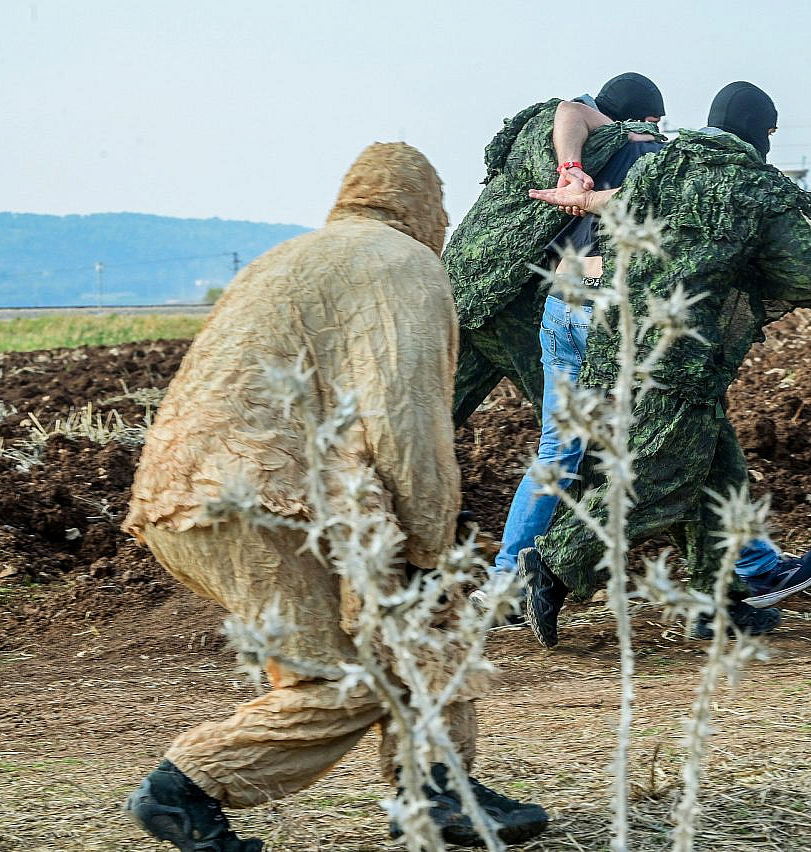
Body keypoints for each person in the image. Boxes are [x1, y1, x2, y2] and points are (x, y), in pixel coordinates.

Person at [119, 143, 547, 850]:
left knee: (404, 624)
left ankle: (438, 793)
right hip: (262, 497)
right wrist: (432, 538)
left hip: (191, 493)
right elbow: (404, 419)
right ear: (428, 207)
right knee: (354, 677)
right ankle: (183, 789)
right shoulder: (406, 265)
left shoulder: (290, 255)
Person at [518, 82, 811, 648]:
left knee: (719, 478)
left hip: (615, 342)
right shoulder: (757, 186)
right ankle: (556, 565)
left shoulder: (661, 163)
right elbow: (810, 281)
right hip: (682, 361)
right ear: (761, 132)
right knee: (661, 478)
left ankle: (720, 607)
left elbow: (613, 208)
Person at [443, 73, 666, 427]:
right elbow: (572, 110)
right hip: (510, 296)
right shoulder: (603, 136)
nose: (648, 133)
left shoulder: (544, 129)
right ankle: (582, 483)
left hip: (465, 281)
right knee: (573, 426)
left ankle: (370, 475)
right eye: (650, 124)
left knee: (436, 413)